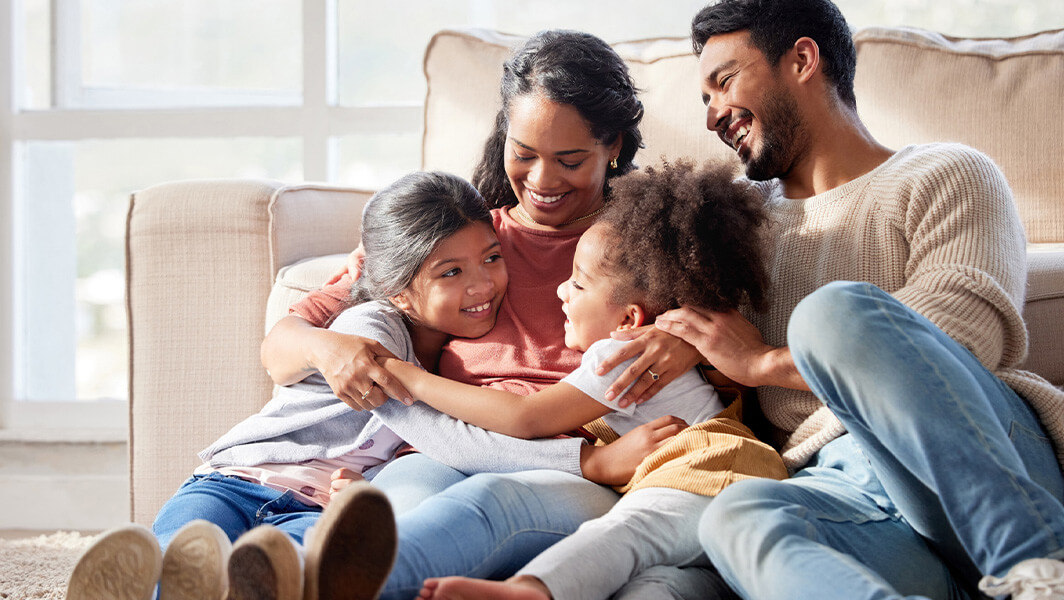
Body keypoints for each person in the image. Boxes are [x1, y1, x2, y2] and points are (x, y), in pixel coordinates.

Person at [599, 1, 1064, 599]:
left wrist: (765, 362)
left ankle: (1047, 572)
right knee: (735, 517)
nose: (712, 115)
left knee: (833, 313)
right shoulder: (732, 217)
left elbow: (962, 332)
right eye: (704, 98)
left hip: (975, 461)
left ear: (803, 59)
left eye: (725, 81)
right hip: (842, 490)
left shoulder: (946, 173)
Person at [261, 30, 723, 600]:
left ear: (615, 147)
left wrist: (687, 340)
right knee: (397, 513)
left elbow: (732, 347)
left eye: (570, 160)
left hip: (568, 462)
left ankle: (302, 588)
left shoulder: (645, 245)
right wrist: (324, 348)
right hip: (441, 446)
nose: (543, 181)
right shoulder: (460, 235)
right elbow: (287, 339)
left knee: (485, 506)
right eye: (524, 154)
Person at [66, 171, 626, 600]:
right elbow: (442, 438)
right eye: (450, 272)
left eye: (492, 258)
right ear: (398, 291)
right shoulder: (369, 334)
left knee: (288, 573)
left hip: (319, 507)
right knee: (179, 554)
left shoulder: (460, 355)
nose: (484, 284)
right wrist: (584, 463)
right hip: (237, 480)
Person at [355, 160, 787, 600]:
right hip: (689, 482)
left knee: (626, 534)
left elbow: (526, 417)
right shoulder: (635, 343)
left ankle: (533, 590)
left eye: (578, 286)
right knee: (642, 563)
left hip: (713, 469)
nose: (561, 291)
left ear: (629, 318)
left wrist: (413, 378)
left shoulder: (619, 354)